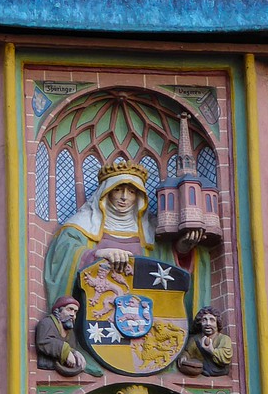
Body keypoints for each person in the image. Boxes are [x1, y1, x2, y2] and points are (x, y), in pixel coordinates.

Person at [42, 158, 210, 313]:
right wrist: (98, 254)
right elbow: (62, 256)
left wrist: (183, 249)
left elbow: (168, 265)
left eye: (131, 192)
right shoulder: (80, 226)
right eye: (117, 190)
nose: (124, 197)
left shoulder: (152, 231)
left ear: (139, 197)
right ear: (106, 193)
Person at [35, 296, 86, 376]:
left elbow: (71, 347)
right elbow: (44, 341)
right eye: (69, 309)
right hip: (48, 365)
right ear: (58, 310)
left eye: (75, 311)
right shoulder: (47, 323)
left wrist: (74, 353)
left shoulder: (70, 331)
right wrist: (66, 352)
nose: (72, 314)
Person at [177, 306, 233, 377]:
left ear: (217, 323)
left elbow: (226, 358)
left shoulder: (224, 339)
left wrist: (211, 351)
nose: (208, 323)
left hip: (218, 372)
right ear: (200, 323)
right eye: (204, 320)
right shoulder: (195, 339)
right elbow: (188, 352)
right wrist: (184, 357)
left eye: (212, 320)